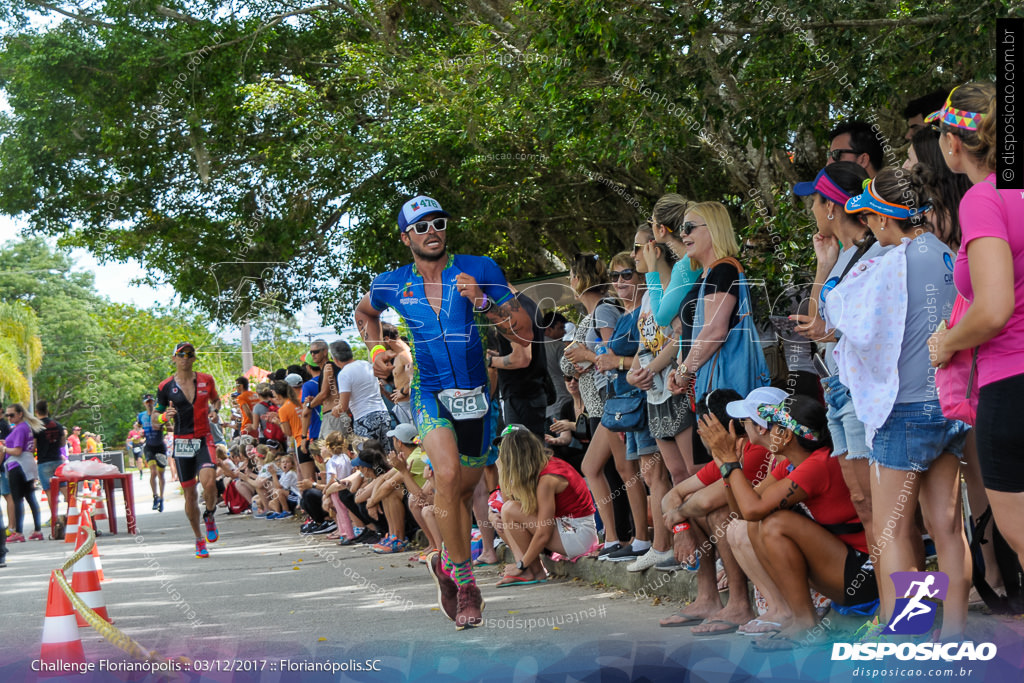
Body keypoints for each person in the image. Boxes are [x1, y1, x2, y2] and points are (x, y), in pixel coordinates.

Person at [353, 194, 533, 630]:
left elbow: (524, 333)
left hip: (475, 394)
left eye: (438, 223)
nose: (432, 231)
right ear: (405, 237)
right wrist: (376, 349)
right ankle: (468, 582)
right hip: (429, 389)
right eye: (421, 226)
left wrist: (484, 304)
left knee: (460, 488)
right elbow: (364, 312)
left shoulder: (481, 269)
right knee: (447, 476)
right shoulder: (392, 282)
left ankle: (447, 565)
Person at [833, 168, 971, 639]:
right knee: (948, 528)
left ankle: (912, 634)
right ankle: (952, 635)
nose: (870, 229)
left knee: (891, 529)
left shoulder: (890, 263)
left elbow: (853, 321)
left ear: (885, 219)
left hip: (904, 411)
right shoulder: (949, 254)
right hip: (948, 406)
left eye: (871, 220)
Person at [928, 82, 1024, 568]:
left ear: (955, 143)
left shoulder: (984, 199)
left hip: (1012, 384)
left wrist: (947, 341)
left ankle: (913, 625)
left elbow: (991, 309)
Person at [712, 393, 877, 650]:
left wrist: (731, 464)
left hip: (865, 576)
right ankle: (797, 616)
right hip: (843, 567)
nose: (766, 431)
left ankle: (805, 623)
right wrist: (726, 468)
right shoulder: (791, 464)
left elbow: (753, 509)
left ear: (787, 435)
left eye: (774, 426)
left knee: (776, 524)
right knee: (760, 524)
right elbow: (744, 512)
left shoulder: (817, 464)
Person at [790, 162, 882, 554]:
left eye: (814, 201)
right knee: (863, 503)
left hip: (862, 388)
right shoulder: (844, 255)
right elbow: (817, 323)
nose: (811, 209)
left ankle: (912, 609)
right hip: (836, 385)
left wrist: (831, 331)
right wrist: (823, 265)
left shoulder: (876, 250)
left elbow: (878, 324)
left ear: (832, 207)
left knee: (884, 508)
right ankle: (888, 604)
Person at [658, 388, 778, 632]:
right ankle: (707, 598)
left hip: (771, 534)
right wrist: (680, 526)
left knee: (716, 512)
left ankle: (739, 604)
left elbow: (706, 501)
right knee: (692, 505)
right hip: (759, 532)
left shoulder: (756, 451)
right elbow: (673, 495)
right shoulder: (734, 450)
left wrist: (679, 515)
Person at [560, 252, 647, 562]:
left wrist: (589, 358)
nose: (619, 281)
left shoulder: (606, 311)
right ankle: (615, 536)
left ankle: (637, 537)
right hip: (607, 397)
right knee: (596, 467)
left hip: (616, 397)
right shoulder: (608, 311)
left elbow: (612, 356)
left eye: (627, 275)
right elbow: (604, 355)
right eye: (616, 275)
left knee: (628, 470)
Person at [667, 202, 770, 437]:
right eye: (683, 228)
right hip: (708, 385)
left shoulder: (723, 271)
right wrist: (681, 369)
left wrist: (683, 372)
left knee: (731, 460)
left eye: (689, 227)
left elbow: (715, 331)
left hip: (724, 391)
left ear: (713, 229)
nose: (683, 233)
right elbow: (694, 332)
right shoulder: (707, 275)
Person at [493, 425, 597, 586]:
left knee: (509, 510)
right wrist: (501, 472)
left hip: (578, 533)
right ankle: (533, 571)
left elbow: (543, 531)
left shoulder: (548, 478)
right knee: (503, 514)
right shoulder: (540, 467)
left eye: (502, 451)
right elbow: (510, 504)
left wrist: (520, 565)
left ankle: (526, 570)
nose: (500, 455)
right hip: (568, 527)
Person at [155, 341, 222, 558]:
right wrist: (166, 417)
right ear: (174, 358)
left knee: (209, 482)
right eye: (180, 354)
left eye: (189, 354)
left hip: (204, 438)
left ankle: (210, 514)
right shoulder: (165, 387)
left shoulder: (206, 380)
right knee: (190, 494)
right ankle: (198, 538)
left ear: (194, 358)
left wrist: (214, 411)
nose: (185, 358)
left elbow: (217, 400)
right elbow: (156, 418)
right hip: (182, 443)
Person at [488, 289, 551, 438]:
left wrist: (490, 361)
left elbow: (521, 359)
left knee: (521, 456)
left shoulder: (510, 310)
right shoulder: (526, 303)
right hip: (531, 394)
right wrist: (498, 356)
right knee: (533, 454)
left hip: (521, 397)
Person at [330, 340, 391, 445]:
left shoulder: (344, 374)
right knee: (386, 455)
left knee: (367, 457)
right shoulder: (366, 364)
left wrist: (335, 410)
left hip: (364, 418)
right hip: (383, 413)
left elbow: (343, 406)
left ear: (335, 359)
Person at [0, 403, 44, 541]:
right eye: (7, 415)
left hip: (17, 466)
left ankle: (18, 533)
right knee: (30, 497)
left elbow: (18, 451)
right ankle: (37, 530)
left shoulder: (19, 429)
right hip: (27, 464)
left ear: (20, 414)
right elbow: (27, 448)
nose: (9, 418)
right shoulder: (26, 427)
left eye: (12, 415)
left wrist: (4, 449)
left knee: (18, 498)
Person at [308, 339, 347, 438]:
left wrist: (309, 405)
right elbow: (328, 396)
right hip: (330, 416)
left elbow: (324, 393)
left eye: (316, 352)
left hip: (334, 416)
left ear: (325, 352)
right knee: (324, 450)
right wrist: (315, 401)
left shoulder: (328, 367)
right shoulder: (326, 368)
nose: (313, 355)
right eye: (311, 352)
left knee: (333, 450)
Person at [539, 311, 572, 420]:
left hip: (543, 403)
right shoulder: (558, 346)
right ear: (548, 329)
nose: (564, 332)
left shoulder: (533, 346)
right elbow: (570, 371)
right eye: (560, 328)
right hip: (562, 399)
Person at [33, 400, 65, 496]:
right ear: (47, 410)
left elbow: (33, 446)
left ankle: (54, 511)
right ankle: (72, 509)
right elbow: (63, 443)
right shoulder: (58, 425)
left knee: (49, 491)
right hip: (57, 460)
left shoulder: (36, 427)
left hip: (44, 462)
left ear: (36, 411)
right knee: (63, 487)